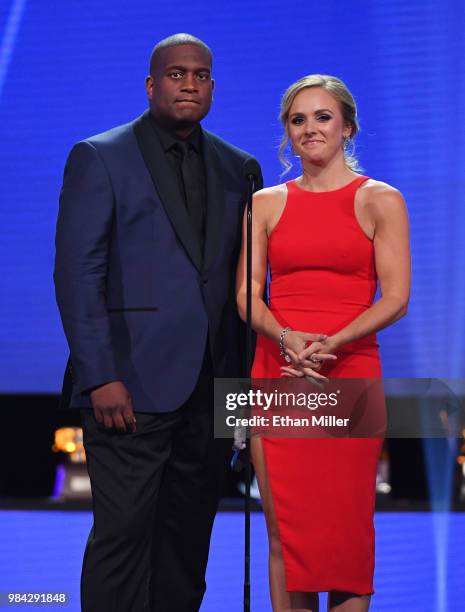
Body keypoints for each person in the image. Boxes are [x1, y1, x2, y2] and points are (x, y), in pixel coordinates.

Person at [54, 33, 262, 612]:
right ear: (152, 84)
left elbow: (243, 288)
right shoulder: (99, 156)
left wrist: (240, 394)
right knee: (122, 538)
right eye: (176, 74)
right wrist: (100, 375)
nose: (188, 83)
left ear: (213, 87)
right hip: (128, 384)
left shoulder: (239, 168)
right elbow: (78, 273)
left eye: (200, 75)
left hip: (211, 390)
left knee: (187, 542)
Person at [236, 74, 410, 611]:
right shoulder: (264, 203)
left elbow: (395, 297)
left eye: (322, 117)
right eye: (298, 119)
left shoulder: (381, 199)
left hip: (350, 371)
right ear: (287, 134)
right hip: (279, 373)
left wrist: (328, 343)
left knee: (345, 534)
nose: (310, 128)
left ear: (348, 127)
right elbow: (246, 294)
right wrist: (288, 338)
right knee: (285, 531)